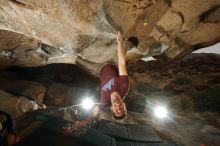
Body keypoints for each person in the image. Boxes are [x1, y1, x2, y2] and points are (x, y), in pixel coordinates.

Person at [74, 32, 130, 126]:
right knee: (124, 43)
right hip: (112, 62)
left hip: (99, 69)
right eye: (122, 109)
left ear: (112, 109)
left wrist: (86, 122)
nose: (118, 108)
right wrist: (119, 42)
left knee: (76, 59)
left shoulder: (105, 102)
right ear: (124, 106)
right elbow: (121, 64)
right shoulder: (124, 87)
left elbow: (95, 112)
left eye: (116, 111)